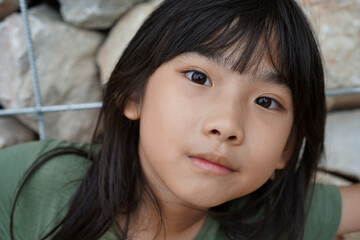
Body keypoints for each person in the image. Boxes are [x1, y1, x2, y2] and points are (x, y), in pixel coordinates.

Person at [0, 0, 359, 239]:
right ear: (133, 94)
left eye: (267, 101)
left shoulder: (271, 220)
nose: (228, 125)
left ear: (288, 148)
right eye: (199, 78)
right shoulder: (24, 186)